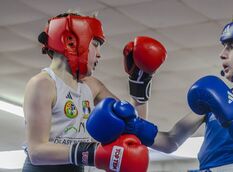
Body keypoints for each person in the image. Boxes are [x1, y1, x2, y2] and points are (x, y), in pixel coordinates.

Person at [110, 18, 233, 172]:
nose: (222, 54)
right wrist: (134, 126)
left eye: (231, 46)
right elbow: (170, 141)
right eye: (224, 47)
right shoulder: (213, 96)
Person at [22, 12, 166, 172]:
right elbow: (36, 151)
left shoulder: (91, 86)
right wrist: (93, 153)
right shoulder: (43, 84)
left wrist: (140, 81)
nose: (99, 54)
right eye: (95, 44)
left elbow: (133, 124)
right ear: (72, 41)